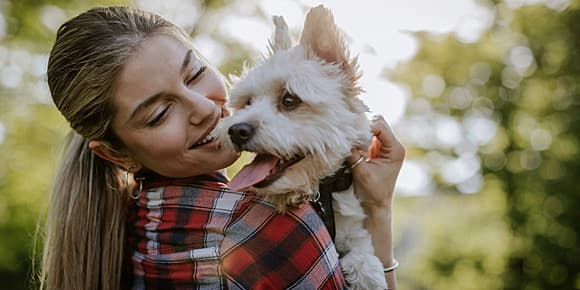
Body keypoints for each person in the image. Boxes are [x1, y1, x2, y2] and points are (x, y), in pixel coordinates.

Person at [38, 6, 405, 290]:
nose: (204, 108)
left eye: (195, 74)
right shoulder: (268, 230)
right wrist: (379, 210)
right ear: (117, 154)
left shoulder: (136, 224)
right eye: (160, 113)